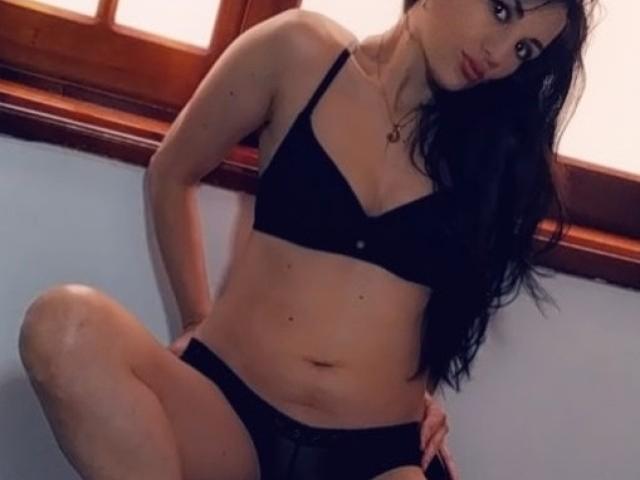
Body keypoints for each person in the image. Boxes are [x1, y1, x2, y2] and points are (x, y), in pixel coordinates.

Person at [18, 0, 595, 478]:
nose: (499, 55)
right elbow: (172, 172)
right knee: (64, 326)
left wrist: (424, 389)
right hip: (226, 410)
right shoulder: (298, 53)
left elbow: (449, 305)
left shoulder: (490, 155)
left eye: (526, 50)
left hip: (375, 453)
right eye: (501, 10)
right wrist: (195, 320)